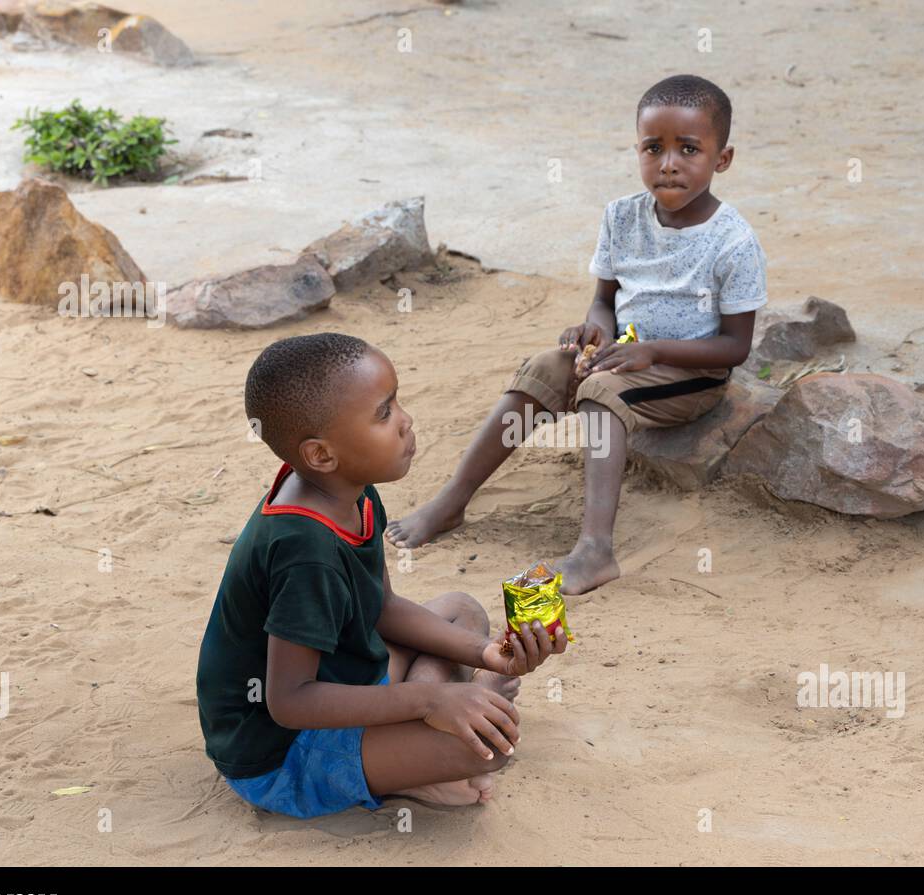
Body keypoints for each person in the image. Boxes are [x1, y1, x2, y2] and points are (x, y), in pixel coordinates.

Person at [386, 73, 769, 594]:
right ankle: (453, 499)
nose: (669, 163)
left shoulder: (733, 241)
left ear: (721, 159)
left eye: (689, 149)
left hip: (690, 373)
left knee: (599, 392)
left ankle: (595, 548)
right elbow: (603, 300)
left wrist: (650, 351)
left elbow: (735, 347)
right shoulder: (621, 217)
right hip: (625, 354)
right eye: (653, 148)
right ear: (637, 149)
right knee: (546, 366)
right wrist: (596, 330)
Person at [196, 333, 568, 817]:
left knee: (460, 609)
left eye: (397, 402)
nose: (406, 420)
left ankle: (454, 705)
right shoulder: (304, 548)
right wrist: (430, 700)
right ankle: (427, 751)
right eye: (384, 413)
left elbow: (385, 609)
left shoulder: (350, 491)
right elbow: (289, 701)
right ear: (322, 454)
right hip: (280, 749)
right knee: (489, 748)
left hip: (342, 682)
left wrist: (488, 656)